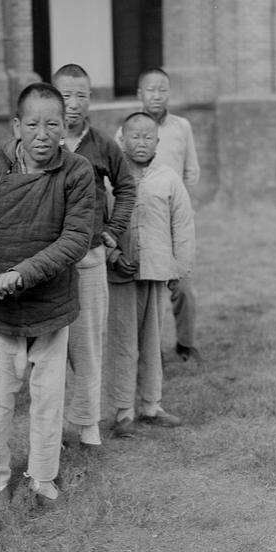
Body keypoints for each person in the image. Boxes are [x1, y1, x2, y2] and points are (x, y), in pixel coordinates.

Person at [0, 82, 95, 508]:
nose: (42, 134)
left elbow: (76, 238)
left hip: (51, 304)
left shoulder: (78, 171)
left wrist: (23, 273)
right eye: (33, 124)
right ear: (16, 125)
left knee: (48, 398)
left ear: (65, 127)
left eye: (52, 124)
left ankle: (43, 477)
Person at [52, 64, 136, 448]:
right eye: (65, 95)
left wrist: (112, 231)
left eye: (81, 95)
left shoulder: (102, 143)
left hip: (88, 258)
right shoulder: (39, 140)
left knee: (87, 346)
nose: (73, 103)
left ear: (91, 99)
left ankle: (87, 425)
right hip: (47, 263)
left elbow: (126, 188)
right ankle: (49, 428)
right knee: (48, 348)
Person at [105, 112, 196, 437]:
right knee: (123, 342)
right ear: (122, 139)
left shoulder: (169, 178)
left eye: (148, 136)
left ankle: (150, 405)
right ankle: (123, 411)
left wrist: (179, 268)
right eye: (134, 136)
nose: (141, 142)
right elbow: (97, 222)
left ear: (158, 141)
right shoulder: (108, 179)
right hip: (120, 275)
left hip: (157, 272)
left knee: (152, 341)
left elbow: (182, 227)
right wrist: (113, 255)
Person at [115, 67, 201, 364]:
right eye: (150, 90)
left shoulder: (181, 127)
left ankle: (186, 344)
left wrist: (177, 203)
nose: (156, 95)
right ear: (140, 94)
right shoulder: (127, 129)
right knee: (146, 291)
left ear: (169, 93)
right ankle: (149, 351)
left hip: (171, 214)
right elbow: (117, 176)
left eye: (162, 89)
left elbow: (191, 171)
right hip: (140, 218)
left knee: (183, 285)